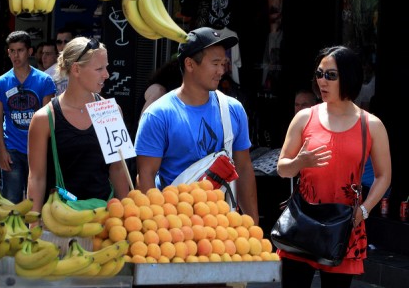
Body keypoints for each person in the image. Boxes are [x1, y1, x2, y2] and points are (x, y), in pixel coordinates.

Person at [276, 45, 392, 288]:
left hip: (344, 226)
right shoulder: (304, 117)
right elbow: (283, 168)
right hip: (303, 221)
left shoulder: (371, 125)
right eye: (319, 74)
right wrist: (299, 162)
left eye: (331, 75)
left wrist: (365, 210)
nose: (322, 82)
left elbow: (384, 176)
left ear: (349, 77)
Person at [135, 27, 259, 223]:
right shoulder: (158, 114)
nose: (222, 71)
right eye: (215, 64)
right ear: (190, 64)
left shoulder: (233, 109)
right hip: (175, 224)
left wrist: (253, 224)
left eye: (223, 63)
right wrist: (158, 226)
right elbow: (145, 175)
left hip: (222, 228)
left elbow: (244, 168)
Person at [28, 37, 130, 214]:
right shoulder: (44, 118)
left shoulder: (110, 111)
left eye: (106, 67)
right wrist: (33, 223)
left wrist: (127, 217)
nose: (106, 74)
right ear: (76, 69)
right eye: (99, 69)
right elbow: (36, 178)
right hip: (58, 219)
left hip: (103, 218)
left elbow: (118, 169)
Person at [0, 31, 56, 202]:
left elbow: (48, 119)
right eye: (12, 51)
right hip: (12, 149)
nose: (15, 55)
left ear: (30, 52)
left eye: (20, 50)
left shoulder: (44, 81)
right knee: (11, 203)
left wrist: (47, 151)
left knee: (36, 203)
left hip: (38, 148)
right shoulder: (0, 83)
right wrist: (2, 151)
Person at [47, 27, 76, 95]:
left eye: (66, 42)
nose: (63, 45)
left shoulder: (85, 69)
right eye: (59, 42)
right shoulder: (47, 74)